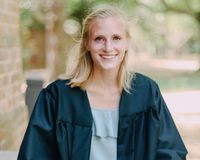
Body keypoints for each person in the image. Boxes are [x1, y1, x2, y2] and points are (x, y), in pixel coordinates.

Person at [18, 6, 188, 160]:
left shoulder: (146, 92)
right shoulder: (57, 97)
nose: (108, 47)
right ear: (86, 43)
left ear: (127, 42)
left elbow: (171, 152)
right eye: (99, 38)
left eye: (116, 38)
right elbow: (35, 154)